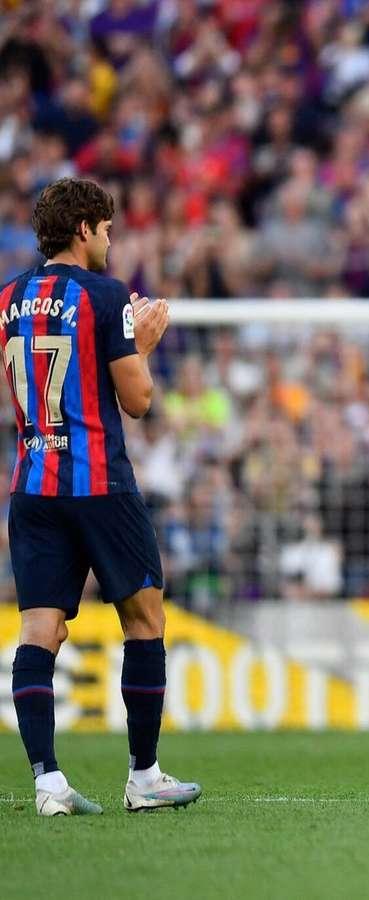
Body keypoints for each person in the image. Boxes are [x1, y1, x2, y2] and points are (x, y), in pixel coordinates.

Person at [4, 177, 201, 816]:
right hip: (99, 484)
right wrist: (141, 346)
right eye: (108, 229)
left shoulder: (7, 298)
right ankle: (144, 777)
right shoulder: (104, 294)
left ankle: (48, 784)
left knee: (40, 629)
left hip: (32, 484)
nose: (111, 241)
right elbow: (138, 401)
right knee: (144, 619)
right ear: (83, 229)